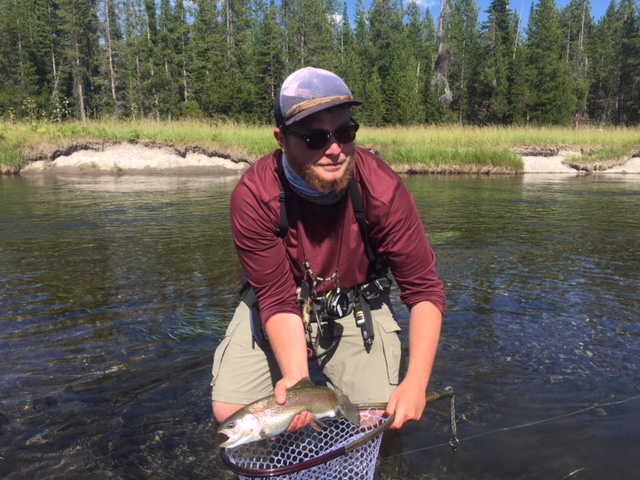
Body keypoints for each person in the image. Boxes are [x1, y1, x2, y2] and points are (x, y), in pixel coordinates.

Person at [211, 66, 445, 431]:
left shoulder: (382, 189)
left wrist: (417, 381)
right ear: (281, 139)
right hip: (282, 301)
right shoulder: (254, 195)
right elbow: (276, 298)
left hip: (356, 301)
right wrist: (298, 384)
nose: (335, 149)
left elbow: (424, 289)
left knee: (375, 421)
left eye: (345, 132)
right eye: (315, 138)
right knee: (233, 414)